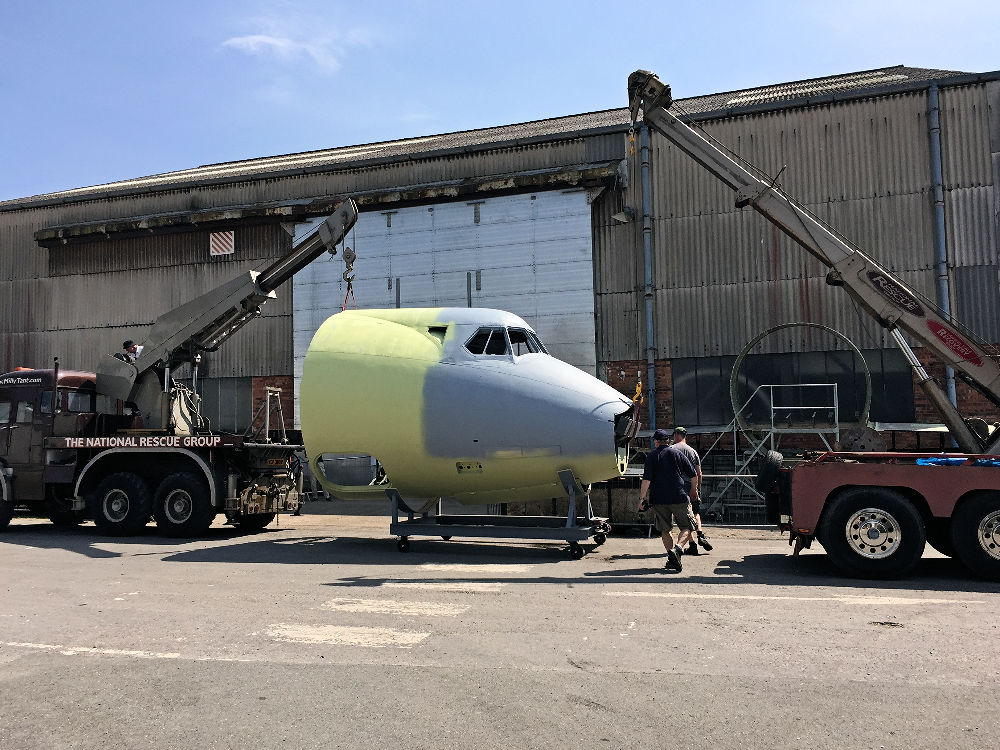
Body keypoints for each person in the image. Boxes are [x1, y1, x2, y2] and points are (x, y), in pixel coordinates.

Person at [637, 428, 699, 572]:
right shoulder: (676, 453)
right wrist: (694, 489)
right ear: (668, 441)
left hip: (658, 498)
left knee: (665, 529)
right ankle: (677, 550)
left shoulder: (652, 456)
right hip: (679, 496)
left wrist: (641, 498)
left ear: (656, 442)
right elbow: (693, 474)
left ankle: (672, 557)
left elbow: (646, 480)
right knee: (688, 526)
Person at [671, 426, 713, 555]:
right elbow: (699, 473)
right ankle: (698, 536)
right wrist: (697, 489)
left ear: (676, 435)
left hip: (678, 487)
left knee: (684, 518)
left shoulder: (671, 450)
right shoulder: (693, 451)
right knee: (695, 513)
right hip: (691, 486)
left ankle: (693, 542)